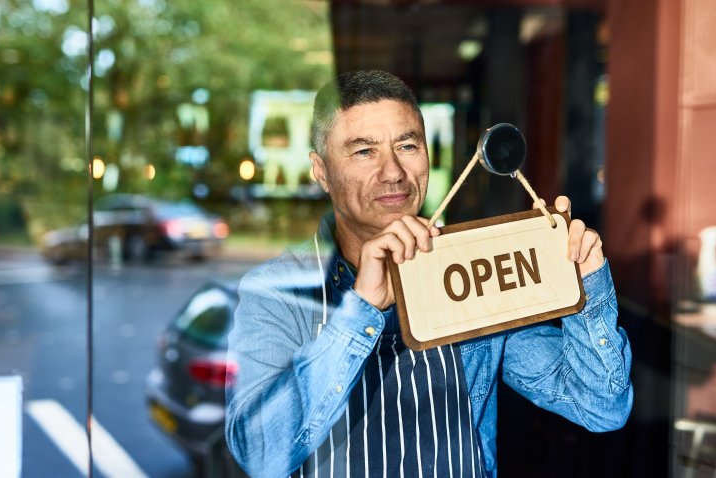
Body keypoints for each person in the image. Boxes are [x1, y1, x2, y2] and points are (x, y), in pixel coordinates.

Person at [225, 70, 632, 478]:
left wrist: (588, 288)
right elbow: (260, 454)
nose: (393, 172)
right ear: (321, 170)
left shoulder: (470, 269)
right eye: (364, 151)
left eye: (407, 145)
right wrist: (361, 311)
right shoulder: (276, 292)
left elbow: (600, 407)